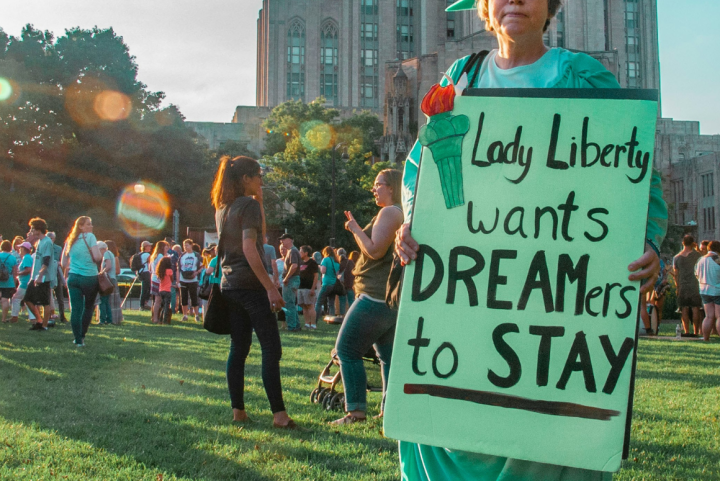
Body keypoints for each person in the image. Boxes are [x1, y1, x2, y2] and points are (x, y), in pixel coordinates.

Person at [392, 0, 668, 478]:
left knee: (545, 430)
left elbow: (635, 172)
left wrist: (648, 241)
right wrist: (415, 221)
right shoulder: (460, 77)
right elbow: (422, 163)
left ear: (551, 7)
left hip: (555, 304)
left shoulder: (583, 77)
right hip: (468, 297)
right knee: (452, 415)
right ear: (483, 8)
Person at [211, 155, 299, 429]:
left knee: (239, 348)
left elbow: (257, 238)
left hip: (229, 285)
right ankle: (279, 415)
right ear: (246, 178)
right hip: (250, 285)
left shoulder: (223, 207)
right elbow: (252, 247)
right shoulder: (247, 205)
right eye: (258, 174)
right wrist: (270, 287)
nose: (262, 179)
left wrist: (259, 202)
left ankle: (238, 411)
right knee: (271, 348)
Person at [332, 169, 404, 425]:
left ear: (392, 188)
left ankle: (355, 412)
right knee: (387, 357)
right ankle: (389, 410)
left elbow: (374, 250)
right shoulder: (396, 212)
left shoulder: (391, 212)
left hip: (375, 295)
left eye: (378, 185)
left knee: (346, 349)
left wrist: (354, 229)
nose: (374, 189)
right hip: (388, 298)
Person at [61, 216, 101, 346]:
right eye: (88, 224)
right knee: (88, 307)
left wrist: (75, 264)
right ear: (81, 226)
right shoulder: (90, 237)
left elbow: (63, 262)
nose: (91, 226)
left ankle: (77, 339)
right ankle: (82, 336)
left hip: (73, 277)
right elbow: (97, 256)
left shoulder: (70, 241)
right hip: (89, 277)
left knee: (76, 309)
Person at [25, 218, 57, 331]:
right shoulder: (40, 242)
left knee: (45, 302)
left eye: (33, 228)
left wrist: (40, 275)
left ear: (39, 229)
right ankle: (39, 320)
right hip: (35, 276)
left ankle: (44, 326)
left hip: (43, 277)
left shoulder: (47, 242)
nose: (31, 231)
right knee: (27, 299)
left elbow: (46, 261)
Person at [672, 235, 703, 335]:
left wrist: (677, 286)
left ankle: (686, 331)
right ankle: (696, 331)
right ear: (693, 243)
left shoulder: (677, 257)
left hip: (682, 285)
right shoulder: (697, 256)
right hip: (694, 284)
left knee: (684, 308)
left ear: (683, 243)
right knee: (695, 308)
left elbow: (676, 274)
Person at [695, 241, 720, 342]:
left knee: (708, 316)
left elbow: (696, 274)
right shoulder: (717, 259)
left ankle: (706, 338)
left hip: (704, 289)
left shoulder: (700, 259)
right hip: (717, 289)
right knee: (719, 316)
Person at [279, 233, 301, 331]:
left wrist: (286, 278)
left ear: (290, 240)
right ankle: (296, 325)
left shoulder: (292, 251)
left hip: (291, 280)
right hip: (293, 279)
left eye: (284, 239)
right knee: (291, 303)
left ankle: (292, 326)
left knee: (288, 304)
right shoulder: (291, 251)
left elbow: (294, 265)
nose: (282, 241)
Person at [314, 246, 340, 323]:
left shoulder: (325, 260)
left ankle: (315, 320)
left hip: (326, 283)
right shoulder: (336, 261)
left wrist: (319, 266)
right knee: (331, 303)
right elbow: (337, 274)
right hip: (334, 284)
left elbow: (323, 271)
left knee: (319, 302)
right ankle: (331, 320)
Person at [9, 241, 33, 323]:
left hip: (24, 283)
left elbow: (28, 270)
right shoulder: (28, 257)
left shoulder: (26, 258)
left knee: (15, 298)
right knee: (28, 300)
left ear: (24, 249)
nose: (19, 249)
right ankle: (33, 318)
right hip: (27, 283)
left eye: (20, 248)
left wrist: (18, 273)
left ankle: (14, 316)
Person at [179, 239, 203, 322]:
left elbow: (202, 266)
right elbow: (179, 267)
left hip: (193, 279)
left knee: (194, 297)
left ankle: (196, 315)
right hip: (183, 278)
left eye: (187, 245)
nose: (185, 247)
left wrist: (196, 273)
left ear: (191, 245)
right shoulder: (182, 256)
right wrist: (178, 280)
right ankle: (185, 315)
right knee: (184, 297)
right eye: (184, 245)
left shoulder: (196, 255)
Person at [47, 232, 68, 323]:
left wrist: (55, 263)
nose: (50, 240)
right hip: (47, 274)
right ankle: (48, 315)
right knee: (47, 296)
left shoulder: (58, 249)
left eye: (51, 238)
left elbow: (62, 262)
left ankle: (62, 315)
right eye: (49, 238)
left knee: (60, 297)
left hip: (56, 274)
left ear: (54, 239)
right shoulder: (45, 247)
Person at [298, 245, 319, 329]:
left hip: (309, 287)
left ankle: (313, 324)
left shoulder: (312, 263)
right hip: (301, 287)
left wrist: (313, 288)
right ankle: (307, 323)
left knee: (310, 305)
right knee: (304, 306)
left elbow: (316, 276)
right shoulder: (301, 262)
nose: (300, 253)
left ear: (306, 253)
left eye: (301, 252)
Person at [149, 241, 169, 324]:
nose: (167, 249)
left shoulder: (153, 256)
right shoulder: (160, 256)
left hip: (153, 278)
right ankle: (156, 318)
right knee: (158, 300)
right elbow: (161, 268)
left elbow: (150, 269)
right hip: (159, 279)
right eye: (166, 247)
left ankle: (154, 317)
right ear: (162, 247)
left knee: (156, 300)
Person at [105, 240, 124, 325]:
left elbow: (118, 271)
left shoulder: (113, 257)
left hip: (109, 279)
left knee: (111, 300)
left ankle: (111, 317)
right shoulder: (114, 257)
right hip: (113, 279)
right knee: (113, 301)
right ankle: (114, 317)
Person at [96, 241, 114, 325]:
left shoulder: (106, 254)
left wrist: (100, 273)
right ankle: (109, 319)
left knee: (102, 301)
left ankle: (102, 320)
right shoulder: (110, 253)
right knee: (106, 301)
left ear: (102, 249)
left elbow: (108, 266)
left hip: (107, 279)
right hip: (111, 279)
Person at [0, 240, 18, 323]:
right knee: (5, 300)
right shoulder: (13, 258)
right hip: (8, 282)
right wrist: (14, 284)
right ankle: (3, 319)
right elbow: (15, 273)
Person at [156, 256, 174, 324]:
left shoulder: (160, 271)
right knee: (167, 306)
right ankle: (165, 320)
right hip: (167, 290)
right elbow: (171, 279)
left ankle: (160, 320)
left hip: (161, 290)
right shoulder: (169, 271)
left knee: (163, 306)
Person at [137, 241, 152, 310]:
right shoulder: (147, 255)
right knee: (147, 289)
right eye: (149, 246)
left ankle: (142, 304)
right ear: (145, 247)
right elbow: (151, 263)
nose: (150, 247)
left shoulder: (139, 254)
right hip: (146, 272)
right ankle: (143, 304)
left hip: (141, 273)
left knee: (144, 289)